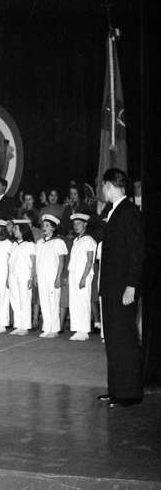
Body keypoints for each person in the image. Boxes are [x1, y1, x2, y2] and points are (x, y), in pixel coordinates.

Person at [98, 168, 145, 408]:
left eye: (103, 186)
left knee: (125, 339)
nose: (102, 190)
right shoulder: (114, 210)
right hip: (111, 288)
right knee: (113, 340)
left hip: (122, 288)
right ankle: (116, 389)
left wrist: (131, 285)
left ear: (109, 185)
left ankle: (129, 393)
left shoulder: (129, 212)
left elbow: (137, 252)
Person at [35, 215, 68, 338]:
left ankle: (54, 329)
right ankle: (46, 327)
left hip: (52, 276)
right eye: (43, 225)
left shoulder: (58, 242)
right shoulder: (39, 242)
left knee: (53, 301)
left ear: (53, 228)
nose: (44, 228)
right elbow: (37, 261)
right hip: (42, 275)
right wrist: (35, 275)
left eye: (47, 225)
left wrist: (58, 277)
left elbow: (61, 261)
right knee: (44, 301)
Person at [68, 213, 96, 341]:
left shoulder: (89, 240)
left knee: (83, 301)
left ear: (85, 224)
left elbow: (90, 261)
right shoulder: (76, 240)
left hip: (83, 274)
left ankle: (84, 330)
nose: (76, 226)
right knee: (74, 302)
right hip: (74, 274)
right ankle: (77, 329)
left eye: (79, 223)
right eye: (74, 224)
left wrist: (84, 278)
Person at [8, 220, 36, 336]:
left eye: (16, 229)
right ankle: (18, 325)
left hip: (25, 275)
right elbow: (10, 262)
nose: (13, 230)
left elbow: (33, 262)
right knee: (15, 300)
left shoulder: (30, 245)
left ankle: (25, 326)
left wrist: (32, 277)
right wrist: (8, 277)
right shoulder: (14, 244)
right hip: (13, 275)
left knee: (24, 300)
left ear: (23, 230)